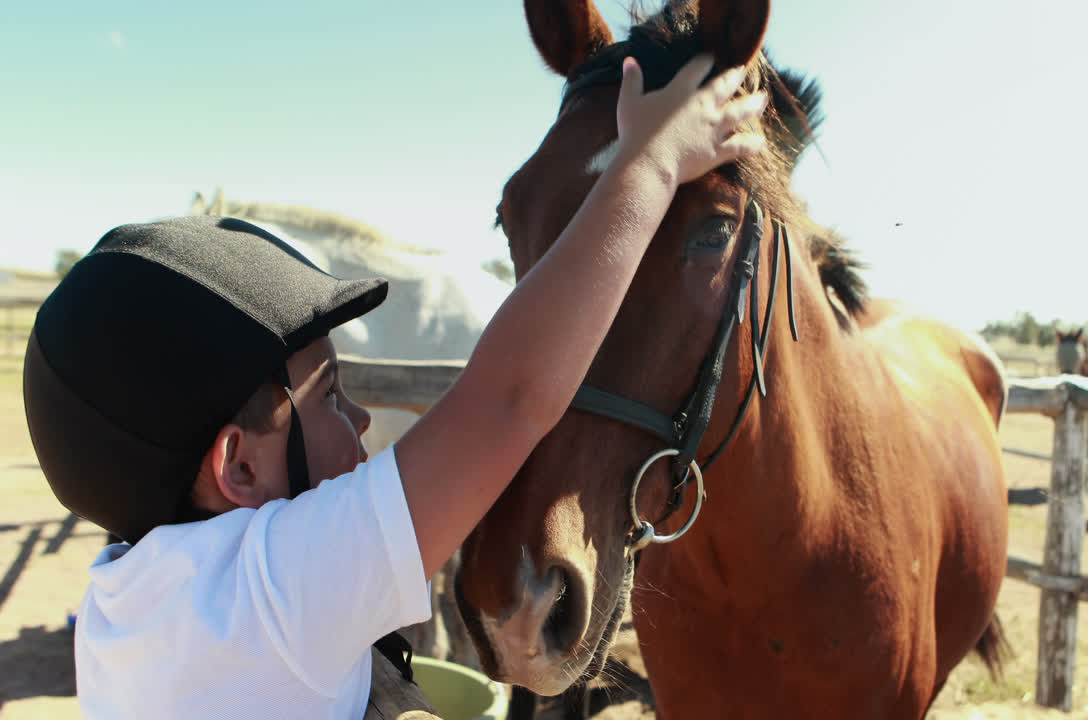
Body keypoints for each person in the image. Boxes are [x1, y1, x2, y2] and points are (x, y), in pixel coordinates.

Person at [23, 55, 766, 720]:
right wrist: (653, 162)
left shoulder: (118, 602)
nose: (362, 414)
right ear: (239, 467)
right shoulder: (276, 592)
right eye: (330, 398)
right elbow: (511, 398)